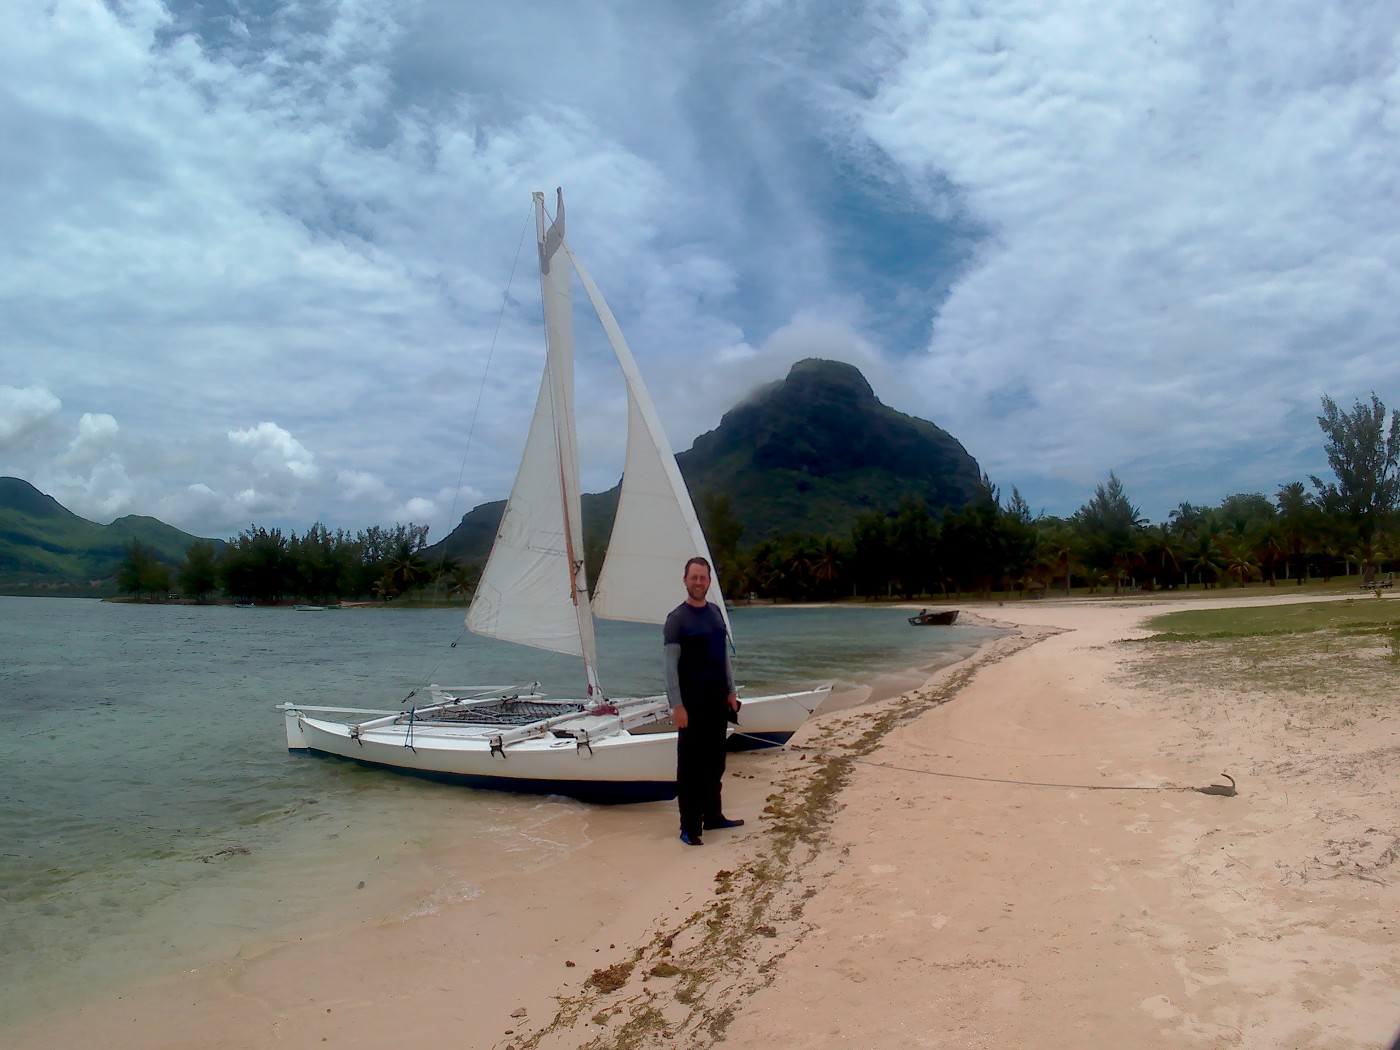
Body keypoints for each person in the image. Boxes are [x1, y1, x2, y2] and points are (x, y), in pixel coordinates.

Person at [664, 556, 744, 846]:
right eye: (694, 577)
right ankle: (689, 827)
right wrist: (677, 705)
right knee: (690, 768)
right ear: (685, 580)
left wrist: (731, 692)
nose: (699, 582)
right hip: (691, 706)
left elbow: (723, 657)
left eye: (703, 578)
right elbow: (670, 668)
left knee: (715, 764)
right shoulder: (677, 620)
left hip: (716, 703)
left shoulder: (715, 613)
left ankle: (713, 816)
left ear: (709, 582)